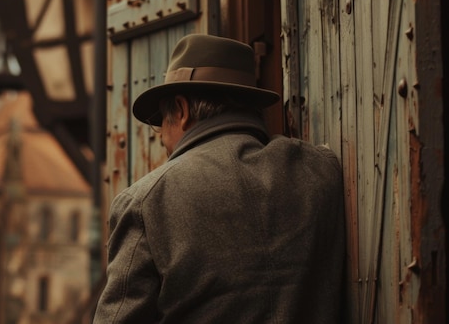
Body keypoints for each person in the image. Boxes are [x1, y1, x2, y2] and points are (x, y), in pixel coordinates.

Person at [93, 34, 345, 323]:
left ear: (182, 109)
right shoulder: (321, 169)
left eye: (160, 123)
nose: (162, 138)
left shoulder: (144, 203)